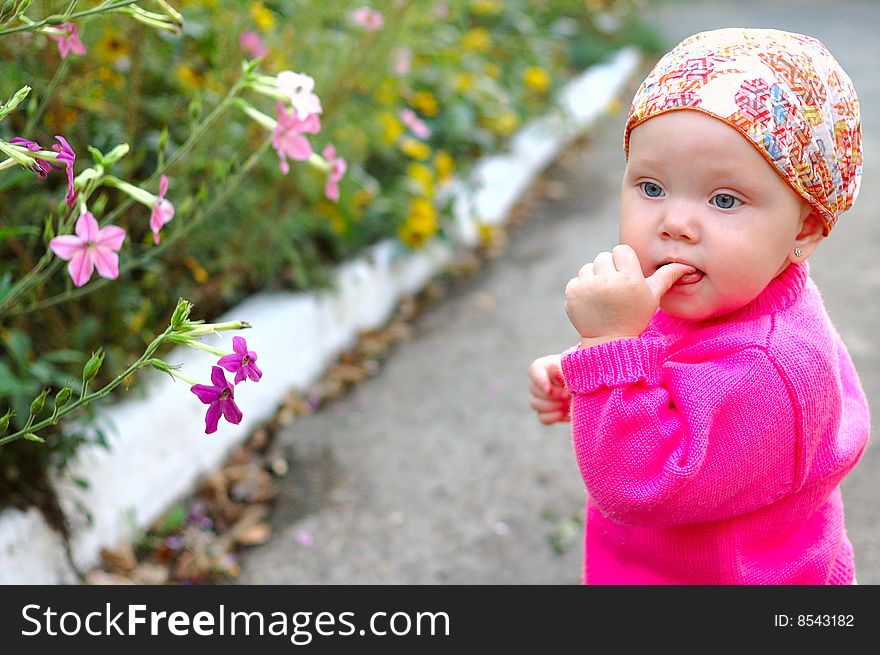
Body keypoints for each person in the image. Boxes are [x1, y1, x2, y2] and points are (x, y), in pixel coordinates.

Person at [527, 28, 869, 584]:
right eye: (652, 187)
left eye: (725, 199)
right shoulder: (722, 294)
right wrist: (591, 373)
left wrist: (610, 348)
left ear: (805, 226)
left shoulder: (769, 368)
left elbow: (635, 483)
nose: (675, 223)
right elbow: (673, 371)